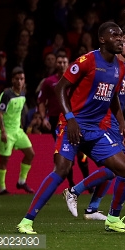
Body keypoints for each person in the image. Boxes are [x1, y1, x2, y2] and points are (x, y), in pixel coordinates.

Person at [17, 22, 125, 234]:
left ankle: (113, 219)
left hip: (97, 130)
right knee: (61, 170)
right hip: (72, 126)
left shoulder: (119, 67)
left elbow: (114, 97)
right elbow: (60, 87)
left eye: (122, 35)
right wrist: (70, 118)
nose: (121, 39)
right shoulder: (87, 60)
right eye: (115, 35)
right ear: (102, 39)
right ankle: (27, 221)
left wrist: (122, 122)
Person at [62, 29, 125, 220]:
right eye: (124, 41)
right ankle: (77, 193)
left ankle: (92, 207)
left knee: (116, 169)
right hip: (104, 120)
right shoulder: (112, 65)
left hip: (117, 121)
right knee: (117, 168)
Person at [37, 51, 90, 187]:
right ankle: (71, 183)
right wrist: (44, 118)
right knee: (66, 154)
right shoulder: (49, 82)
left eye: (64, 62)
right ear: (55, 64)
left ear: (69, 64)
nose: (61, 65)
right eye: (59, 62)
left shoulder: (76, 79)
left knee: (81, 152)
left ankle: (87, 182)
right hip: (56, 121)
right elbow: (41, 101)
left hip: (75, 118)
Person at [0, 67, 35, 195]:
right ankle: (2, 188)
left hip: (18, 131)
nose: (19, 81)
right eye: (17, 79)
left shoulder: (23, 94)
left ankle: (21, 181)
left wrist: (21, 127)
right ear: (12, 80)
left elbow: (18, 113)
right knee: (4, 160)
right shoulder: (7, 95)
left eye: (21, 79)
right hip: (6, 131)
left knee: (30, 154)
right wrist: (3, 131)